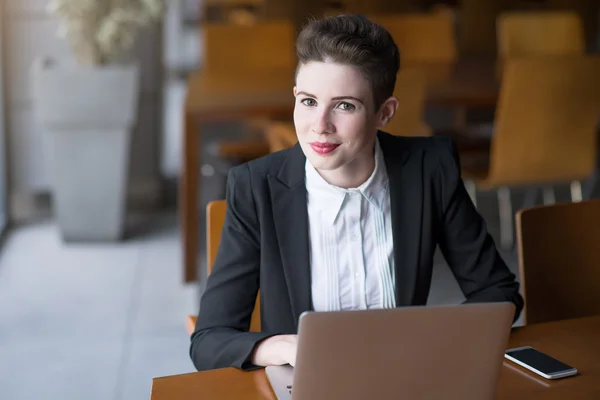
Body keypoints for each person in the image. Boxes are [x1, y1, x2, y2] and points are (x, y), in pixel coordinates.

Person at [190, 14, 523, 372]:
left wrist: (427, 341)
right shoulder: (255, 187)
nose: (320, 125)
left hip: (403, 377)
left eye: (344, 105)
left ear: (385, 113)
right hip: (307, 384)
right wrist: (284, 347)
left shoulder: (430, 168)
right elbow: (209, 341)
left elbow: (498, 293)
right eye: (308, 101)